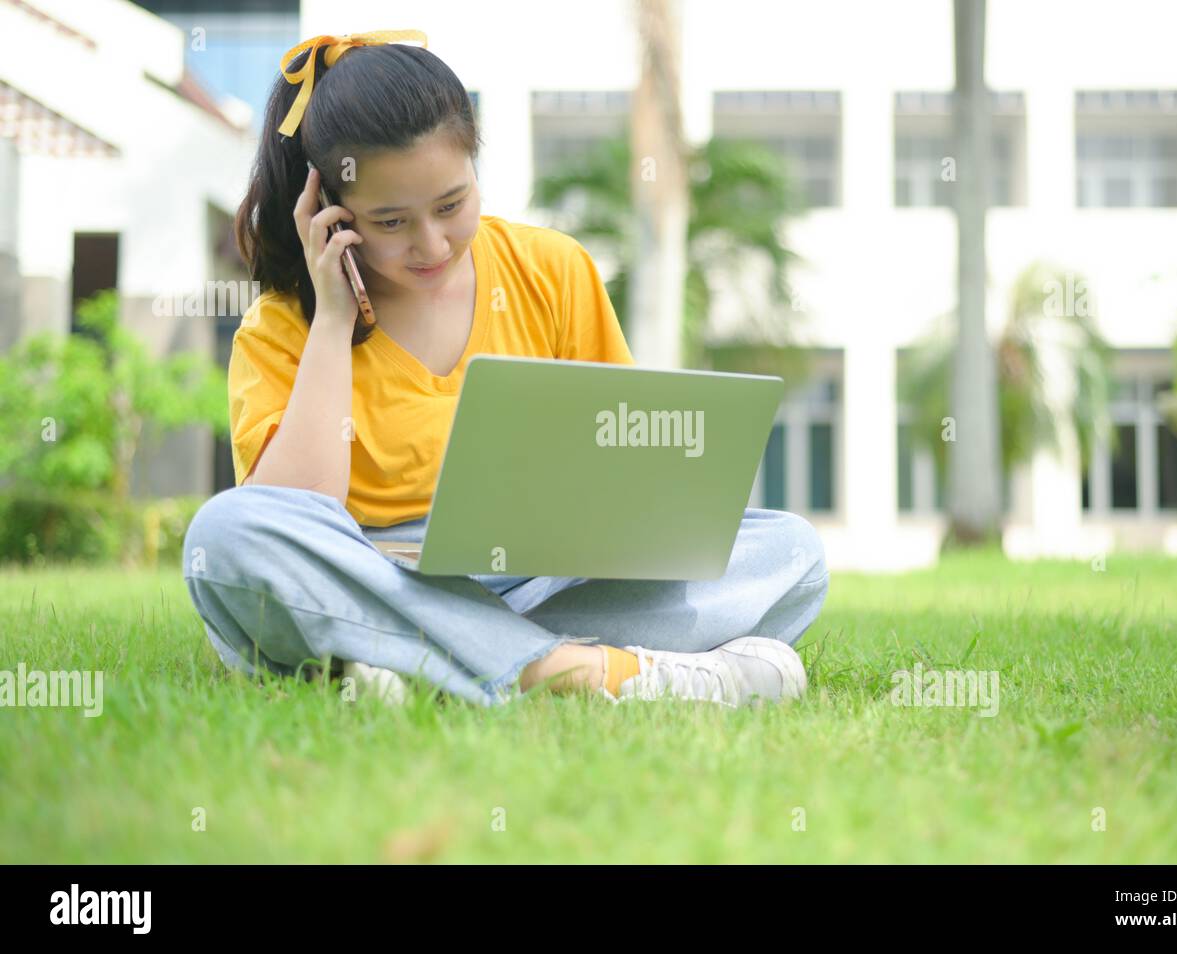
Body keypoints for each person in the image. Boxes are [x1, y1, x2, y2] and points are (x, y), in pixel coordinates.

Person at [181, 30, 829, 710]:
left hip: (544, 581)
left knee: (792, 553)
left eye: (451, 206)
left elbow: (627, 469)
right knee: (227, 539)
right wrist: (336, 320)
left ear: (475, 164)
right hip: (371, 574)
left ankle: (408, 660)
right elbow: (293, 513)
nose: (431, 244)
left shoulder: (551, 268)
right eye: (391, 221)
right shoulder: (285, 325)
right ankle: (587, 673)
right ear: (328, 212)